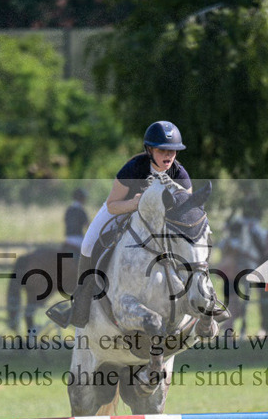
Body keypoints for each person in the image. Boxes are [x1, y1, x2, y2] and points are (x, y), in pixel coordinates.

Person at [49, 121, 191, 328]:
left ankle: (201, 296)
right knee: (88, 244)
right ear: (150, 150)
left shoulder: (180, 174)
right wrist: (134, 204)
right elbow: (112, 205)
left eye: (173, 151)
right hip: (123, 209)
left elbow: (187, 210)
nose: (169, 155)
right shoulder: (134, 168)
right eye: (162, 150)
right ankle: (79, 305)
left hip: (161, 223)